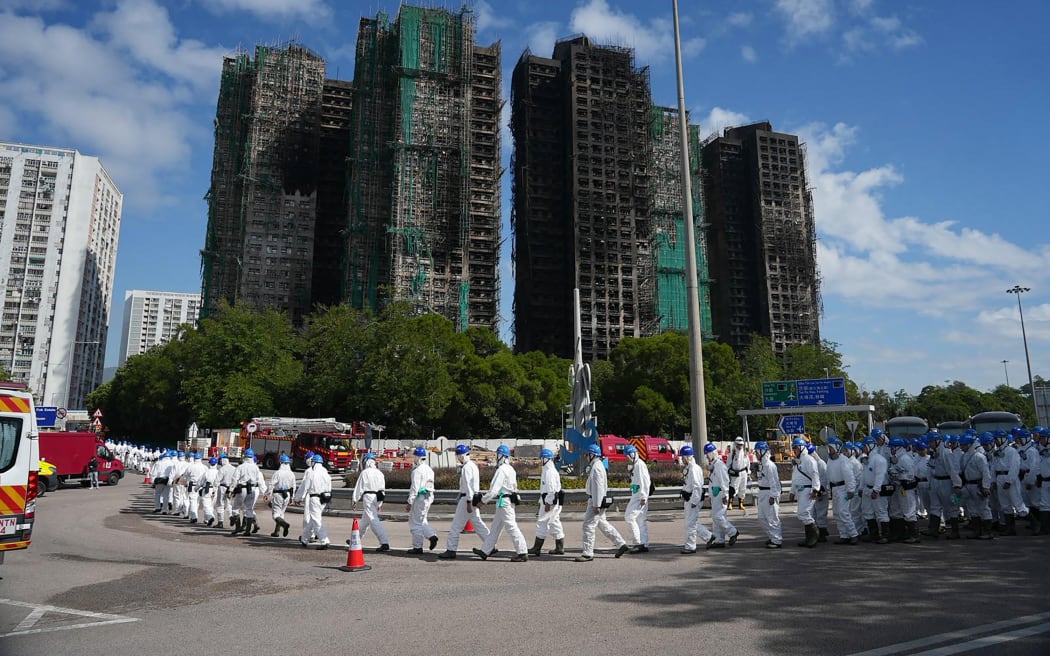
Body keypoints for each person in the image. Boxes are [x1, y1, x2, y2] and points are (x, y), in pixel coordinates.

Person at [472, 445, 529, 562]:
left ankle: (522, 552)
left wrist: (483, 501)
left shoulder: (501, 470)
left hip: (504, 502)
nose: (496, 457)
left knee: (511, 527)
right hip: (505, 501)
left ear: (502, 456)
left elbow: (494, 490)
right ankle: (485, 551)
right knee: (495, 528)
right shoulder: (510, 469)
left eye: (497, 455)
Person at [575, 443, 629, 561]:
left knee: (588, 526)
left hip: (595, 501)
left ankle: (588, 553)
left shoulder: (596, 467)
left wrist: (597, 505)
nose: (587, 457)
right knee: (603, 524)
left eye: (588, 454)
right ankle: (621, 544)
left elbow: (598, 488)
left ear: (592, 455)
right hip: (596, 500)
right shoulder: (597, 466)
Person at [439, 444, 491, 559]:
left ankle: (451, 549)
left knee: (456, 526)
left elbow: (467, 486)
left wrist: (468, 501)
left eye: (458, 456)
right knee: (478, 524)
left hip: (467, 499)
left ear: (462, 455)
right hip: (474, 498)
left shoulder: (466, 467)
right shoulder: (473, 465)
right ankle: (490, 545)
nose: (458, 458)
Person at [529, 448, 565, 557]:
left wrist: (548, 503)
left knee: (542, 523)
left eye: (542, 459)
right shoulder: (549, 471)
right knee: (554, 523)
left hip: (549, 502)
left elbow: (551, 489)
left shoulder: (549, 472)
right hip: (551, 501)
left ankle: (537, 548)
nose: (541, 461)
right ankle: (559, 547)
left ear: (546, 459)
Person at [679, 445, 715, 553]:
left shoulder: (694, 469)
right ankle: (709, 537)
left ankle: (691, 546)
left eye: (683, 457)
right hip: (689, 499)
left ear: (687, 457)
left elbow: (697, 486)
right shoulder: (689, 468)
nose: (681, 459)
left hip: (693, 499)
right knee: (692, 522)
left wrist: (694, 501)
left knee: (690, 524)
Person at [991, 430, 1027, 535]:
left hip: (1008, 477)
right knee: (1005, 504)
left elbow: (1015, 467)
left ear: (1002, 439)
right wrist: (993, 480)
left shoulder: (1011, 451)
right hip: (999, 477)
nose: (996, 442)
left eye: (997, 439)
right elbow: (993, 467)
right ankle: (1010, 529)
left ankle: (1035, 523)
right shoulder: (996, 452)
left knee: (1018, 503)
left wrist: (1009, 481)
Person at [351, 452, 389, 552]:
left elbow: (359, 487)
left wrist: (355, 500)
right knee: (365, 520)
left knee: (373, 519)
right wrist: (380, 504)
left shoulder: (365, 473)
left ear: (366, 461)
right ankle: (355, 539)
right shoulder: (380, 473)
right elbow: (382, 490)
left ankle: (384, 542)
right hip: (377, 497)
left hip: (368, 496)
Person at [704, 441, 740, 549]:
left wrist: (725, 495)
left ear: (711, 454)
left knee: (718, 517)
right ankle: (719, 540)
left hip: (720, 494)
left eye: (707, 455)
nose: (707, 457)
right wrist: (710, 495)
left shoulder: (719, 465)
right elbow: (712, 482)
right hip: (715, 494)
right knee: (716, 519)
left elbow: (724, 481)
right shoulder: (714, 465)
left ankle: (733, 532)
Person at [293, 454, 332, 548]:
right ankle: (304, 539)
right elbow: (329, 487)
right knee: (312, 520)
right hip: (324, 499)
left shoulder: (311, 473)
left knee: (316, 519)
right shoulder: (326, 473)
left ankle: (324, 540)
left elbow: (304, 487)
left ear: (313, 462)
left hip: (314, 498)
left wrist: (298, 498)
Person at [959, 434, 993, 539]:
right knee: (972, 509)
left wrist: (986, 486)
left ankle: (988, 532)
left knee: (984, 509)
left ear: (969, 445)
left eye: (963, 445)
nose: (961, 447)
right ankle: (976, 531)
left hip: (978, 485)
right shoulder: (963, 457)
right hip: (968, 484)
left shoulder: (979, 457)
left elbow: (986, 473)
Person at [825, 437, 858, 545]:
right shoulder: (830, 460)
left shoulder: (843, 460)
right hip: (835, 489)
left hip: (843, 489)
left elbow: (850, 476)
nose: (829, 450)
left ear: (837, 447)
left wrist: (850, 490)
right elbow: (828, 476)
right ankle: (844, 535)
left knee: (844, 512)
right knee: (837, 513)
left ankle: (853, 534)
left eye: (831, 447)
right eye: (828, 448)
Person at [406, 446, 439, 554]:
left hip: (419, 498)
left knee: (415, 523)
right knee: (422, 520)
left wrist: (409, 502)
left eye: (414, 456)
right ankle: (431, 535)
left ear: (417, 457)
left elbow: (415, 488)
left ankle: (417, 547)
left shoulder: (417, 471)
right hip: (428, 498)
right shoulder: (429, 469)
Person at [791, 437, 821, 548]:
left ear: (802, 448)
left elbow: (815, 475)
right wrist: (792, 491)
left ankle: (814, 534)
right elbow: (795, 478)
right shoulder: (798, 462)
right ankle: (809, 538)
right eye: (793, 448)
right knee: (804, 513)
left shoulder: (809, 460)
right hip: (800, 490)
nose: (794, 450)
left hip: (808, 490)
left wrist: (815, 490)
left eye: (796, 448)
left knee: (803, 513)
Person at [860, 436, 890, 544]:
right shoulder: (867, 460)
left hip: (876, 491)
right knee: (868, 512)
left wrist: (876, 490)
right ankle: (874, 534)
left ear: (870, 446)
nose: (863, 448)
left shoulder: (879, 459)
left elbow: (880, 476)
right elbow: (863, 475)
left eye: (865, 446)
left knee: (881, 512)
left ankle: (885, 535)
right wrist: (861, 488)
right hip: (867, 489)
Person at [753, 441, 783, 548]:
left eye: (757, 452)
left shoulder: (770, 465)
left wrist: (773, 496)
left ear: (762, 451)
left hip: (769, 492)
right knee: (762, 518)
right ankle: (772, 536)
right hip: (762, 492)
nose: (755, 454)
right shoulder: (762, 465)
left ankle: (777, 540)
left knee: (772, 518)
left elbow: (774, 482)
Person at [230, 449, 267, 536]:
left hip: (242, 489)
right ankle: (247, 531)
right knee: (249, 509)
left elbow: (235, 479)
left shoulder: (241, 467)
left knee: (235, 508)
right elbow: (261, 481)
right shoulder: (256, 468)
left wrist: (231, 489)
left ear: (245, 456)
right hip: (252, 490)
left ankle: (238, 528)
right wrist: (265, 493)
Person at [622, 444, 651, 554]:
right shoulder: (637, 465)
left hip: (639, 497)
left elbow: (645, 482)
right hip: (638, 495)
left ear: (633, 454)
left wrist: (643, 496)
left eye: (628, 456)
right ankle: (644, 543)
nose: (627, 458)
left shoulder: (639, 465)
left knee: (629, 517)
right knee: (640, 520)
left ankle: (638, 542)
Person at [266, 454, 297, 538]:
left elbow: (271, 484)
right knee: (281, 513)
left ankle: (284, 524)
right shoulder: (292, 474)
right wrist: (292, 498)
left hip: (278, 495)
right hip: (287, 495)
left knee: (275, 515)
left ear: (281, 463)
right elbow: (293, 487)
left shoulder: (278, 473)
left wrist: (268, 494)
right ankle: (276, 532)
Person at [809, 442, 830, 542]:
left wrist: (821, 493)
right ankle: (818, 531)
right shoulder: (812, 463)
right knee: (814, 513)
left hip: (821, 492)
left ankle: (822, 533)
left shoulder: (820, 463)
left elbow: (824, 480)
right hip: (815, 491)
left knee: (821, 513)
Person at [181, 452, 208, 524]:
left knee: (193, 501)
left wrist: (186, 483)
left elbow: (185, 476)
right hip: (202, 486)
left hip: (192, 485)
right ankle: (207, 519)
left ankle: (194, 517)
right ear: (201, 458)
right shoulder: (205, 467)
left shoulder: (190, 467)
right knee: (202, 502)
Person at [727, 437, 750, 510]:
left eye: (741, 445)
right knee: (733, 488)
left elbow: (748, 463)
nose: (739, 446)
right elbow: (728, 465)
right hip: (735, 473)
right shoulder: (732, 454)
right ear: (735, 444)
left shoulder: (745, 453)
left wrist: (748, 472)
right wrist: (729, 472)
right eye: (738, 444)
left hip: (743, 473)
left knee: (743, 488)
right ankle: (730, 503)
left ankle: (741, 503)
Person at [215, 453, 236, 529]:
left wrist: (214, 489)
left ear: (222, 460)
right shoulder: (234, 468)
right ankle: (231, 516)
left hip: (222, 487)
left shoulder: (222, 469)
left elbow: (217, 480)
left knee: (220, 504)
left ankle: (220, 522)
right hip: (230, 488)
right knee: (228, 504)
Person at [201, 457, 219, 527]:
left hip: (207, 489)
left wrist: (196, 488)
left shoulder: (206, 472)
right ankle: (207, 520)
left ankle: (210, 517)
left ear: (209, 464)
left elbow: (201, 481)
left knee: (206, 505)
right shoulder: (218, 472)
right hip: (216, 490)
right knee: (211, 505)